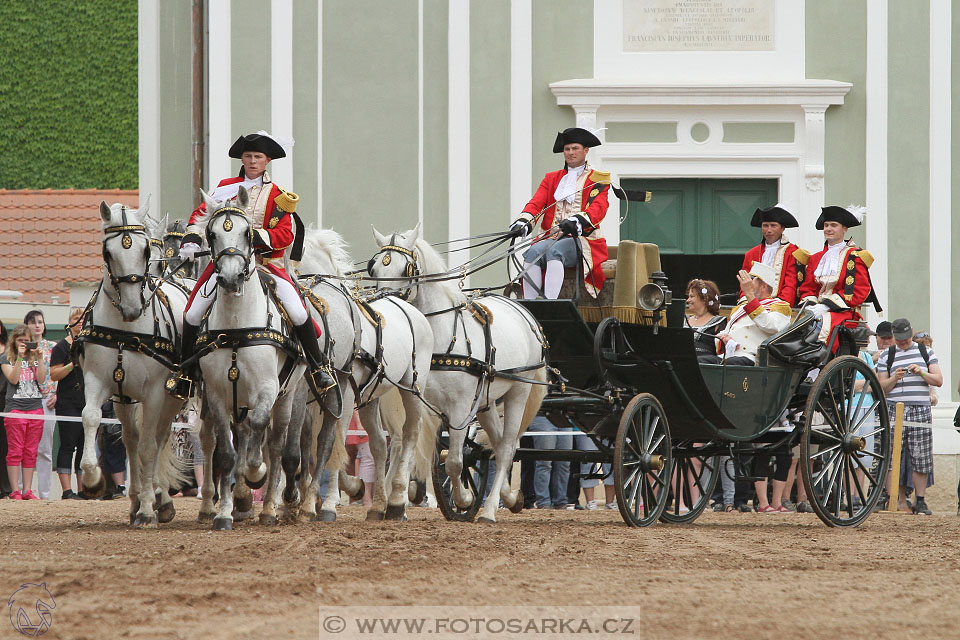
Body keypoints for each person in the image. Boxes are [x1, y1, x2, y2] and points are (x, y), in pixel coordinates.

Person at [177, 131, 335, 395]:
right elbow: (201, 215)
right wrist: (191, 240)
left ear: (267, 161)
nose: (252, 161)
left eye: (257, 157)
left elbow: (286, 233)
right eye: (248, 156)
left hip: (265, 264)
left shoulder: (278, 194)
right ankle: (185, 373)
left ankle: (318, 368)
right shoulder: (225, 187)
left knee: (297, 311)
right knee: (192, 313)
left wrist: (257, 235)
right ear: (242, 157)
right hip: (224, 264)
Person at [509, 127, 611, 299]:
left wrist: (577, 221)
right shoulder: (552, 178)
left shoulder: (597, 179)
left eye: (575, 148)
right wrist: (523, 222)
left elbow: (599, 208)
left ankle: (551, 303)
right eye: (567, 149)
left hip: (582, 240)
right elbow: (536, 203)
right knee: (533, 251)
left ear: (585, 151)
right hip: (551, 237)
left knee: (554, 251)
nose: (570, 153)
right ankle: (530, 305)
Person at [877, 318, 942, 515]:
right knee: (891, 456)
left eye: (906, 339)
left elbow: (938, 380)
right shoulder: (886, 356)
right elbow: (881, 388)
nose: (903, 343)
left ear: (911, 332)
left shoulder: (926, 352)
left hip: (920, 409)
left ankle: (920, 500)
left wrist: (921, 372)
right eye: (900, 339)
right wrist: (894, 378)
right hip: (893, 408)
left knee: (920, 456)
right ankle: (894, 499)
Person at [797, 205, 881, 343]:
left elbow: (860, 290)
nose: (828, 229)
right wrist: (811, 305)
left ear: (845, 229)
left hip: (842, 313)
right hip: (815, 309)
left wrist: (826, 306)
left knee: (818, 326)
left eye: (834, 225)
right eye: (826, 225)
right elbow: (808, 287)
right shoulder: (816, 258)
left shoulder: (855, 256)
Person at [698, 263, 791, 366]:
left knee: (725, 364)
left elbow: (770, 325)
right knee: (698, 361)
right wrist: (724, 339)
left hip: (752, 358)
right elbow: (725, 332)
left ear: (763, 286)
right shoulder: (742, 307)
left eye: (751, 281)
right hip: (728, 356)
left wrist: (750, 295)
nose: (746, 284)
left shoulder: (779, 306)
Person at [1, 325, 48, 500]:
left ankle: (27, 489)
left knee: (31, 450)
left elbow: (42, 380)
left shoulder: (34, 358)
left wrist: (40, 359)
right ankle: (15, 490)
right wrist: (20, 358)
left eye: (26, 340)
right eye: (20, 340)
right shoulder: (6, 358)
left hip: (35, 408)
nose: (23, 344)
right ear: (14, 341)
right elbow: (13, 378)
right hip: (15, 409)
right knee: (15, 450)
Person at [49, 307, 86, 499]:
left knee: (83, 445)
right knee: (68, 445)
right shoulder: (61, 347)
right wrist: (73, 364)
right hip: (67, 402)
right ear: (70, 322)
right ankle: (66, 490)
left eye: (83, 318)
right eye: (76, 318)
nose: (80, 321)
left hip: (86, 401)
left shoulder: (89, 346)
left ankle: (82, 490)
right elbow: (54, 374)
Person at [739, 204, 806, 306]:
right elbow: (745, 283)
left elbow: (790, 286)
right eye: (765, 225)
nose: (769, 230)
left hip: (778, 306)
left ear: (782, 228)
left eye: (773, 225)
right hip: (753, 303)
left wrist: (776, 306)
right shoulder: (751, 254)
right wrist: (747, 301)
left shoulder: (793, 252)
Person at [24, 310, 57, 499]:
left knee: (45, 450)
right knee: (23, 448)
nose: (37, 325)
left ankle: (45, 493)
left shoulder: (53, 347)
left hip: (47, 401)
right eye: (32, 322)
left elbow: (60, 374)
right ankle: (21, 489)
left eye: (40, 322)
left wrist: (57, 393)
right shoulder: (20, 348)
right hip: (25, 401)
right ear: (26, 325)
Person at [684, 279, 726, 358]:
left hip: (706, 365)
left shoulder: (717, 322)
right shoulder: (684, 319)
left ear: (704, 299)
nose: (688, 300)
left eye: (691, 296)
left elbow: (721, 352)